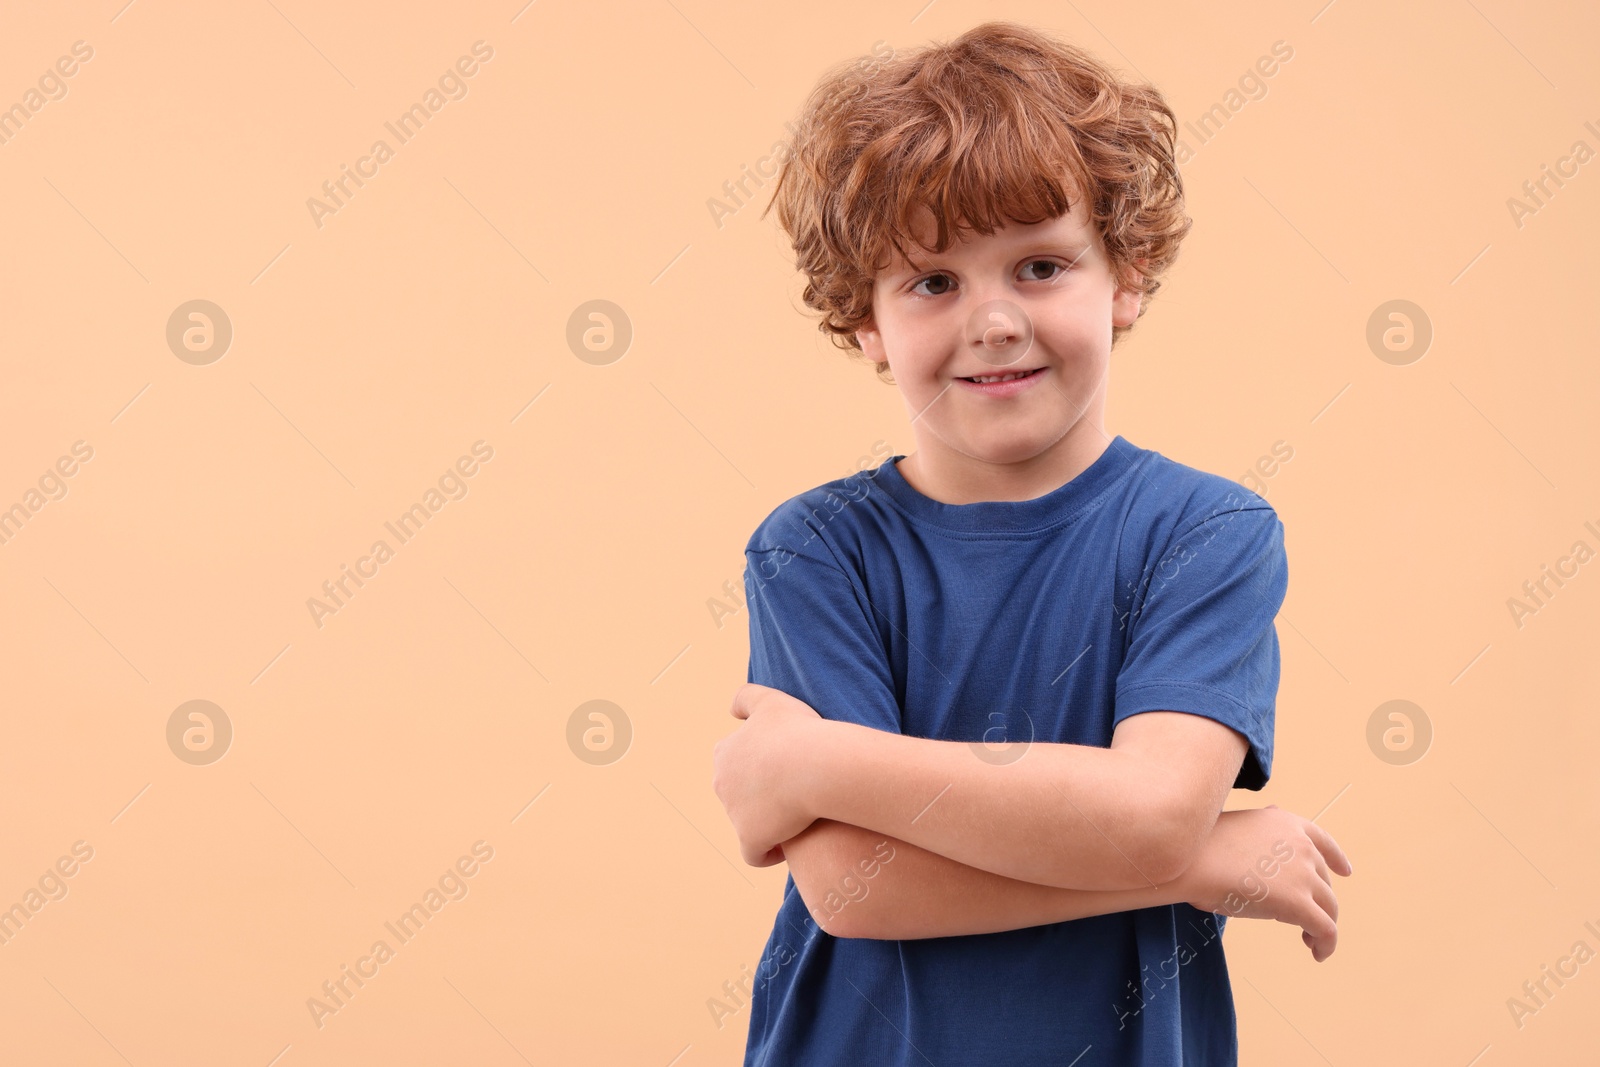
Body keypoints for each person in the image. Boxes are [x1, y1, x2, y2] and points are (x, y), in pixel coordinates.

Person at [710, 20, 1352, 1066]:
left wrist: (813, 759)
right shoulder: (814, 550)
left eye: (1041, 265)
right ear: (864, 319)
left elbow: (1147, 814)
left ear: (1126, 277)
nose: (993, 319)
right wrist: (1205, 863)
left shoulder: (1205, 535)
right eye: (931, 281)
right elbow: (853, 888)